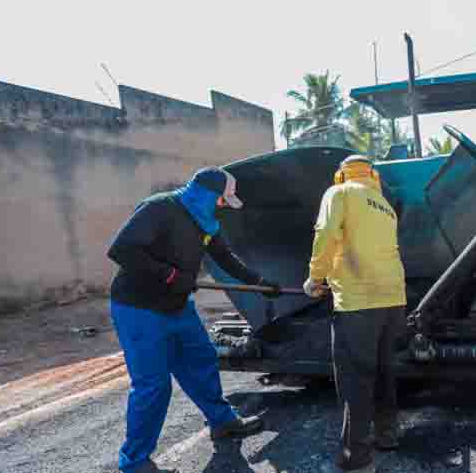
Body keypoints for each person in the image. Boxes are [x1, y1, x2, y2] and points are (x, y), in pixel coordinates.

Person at [107, 167, 279, 473]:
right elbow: (122, 250)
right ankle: (134, 463)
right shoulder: (160, 208)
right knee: (153, 386)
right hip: (139, 309)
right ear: (209, 195)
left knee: (202, 362)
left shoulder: (205, 221)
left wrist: (260, 282)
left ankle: (222, 422)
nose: (224, 207)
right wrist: (171, 275)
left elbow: (225, 258)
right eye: (223, 201)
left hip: (177, 307)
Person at [303, 155, 407, 473]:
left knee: (355, 380)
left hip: (358, 304)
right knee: (384, 371)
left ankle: (357, 460)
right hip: (393, 301)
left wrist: (315, 279)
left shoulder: (340, 193)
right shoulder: (384, 205)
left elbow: (326, 233)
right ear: (372, 175)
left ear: (342, 174)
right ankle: (388, 434)